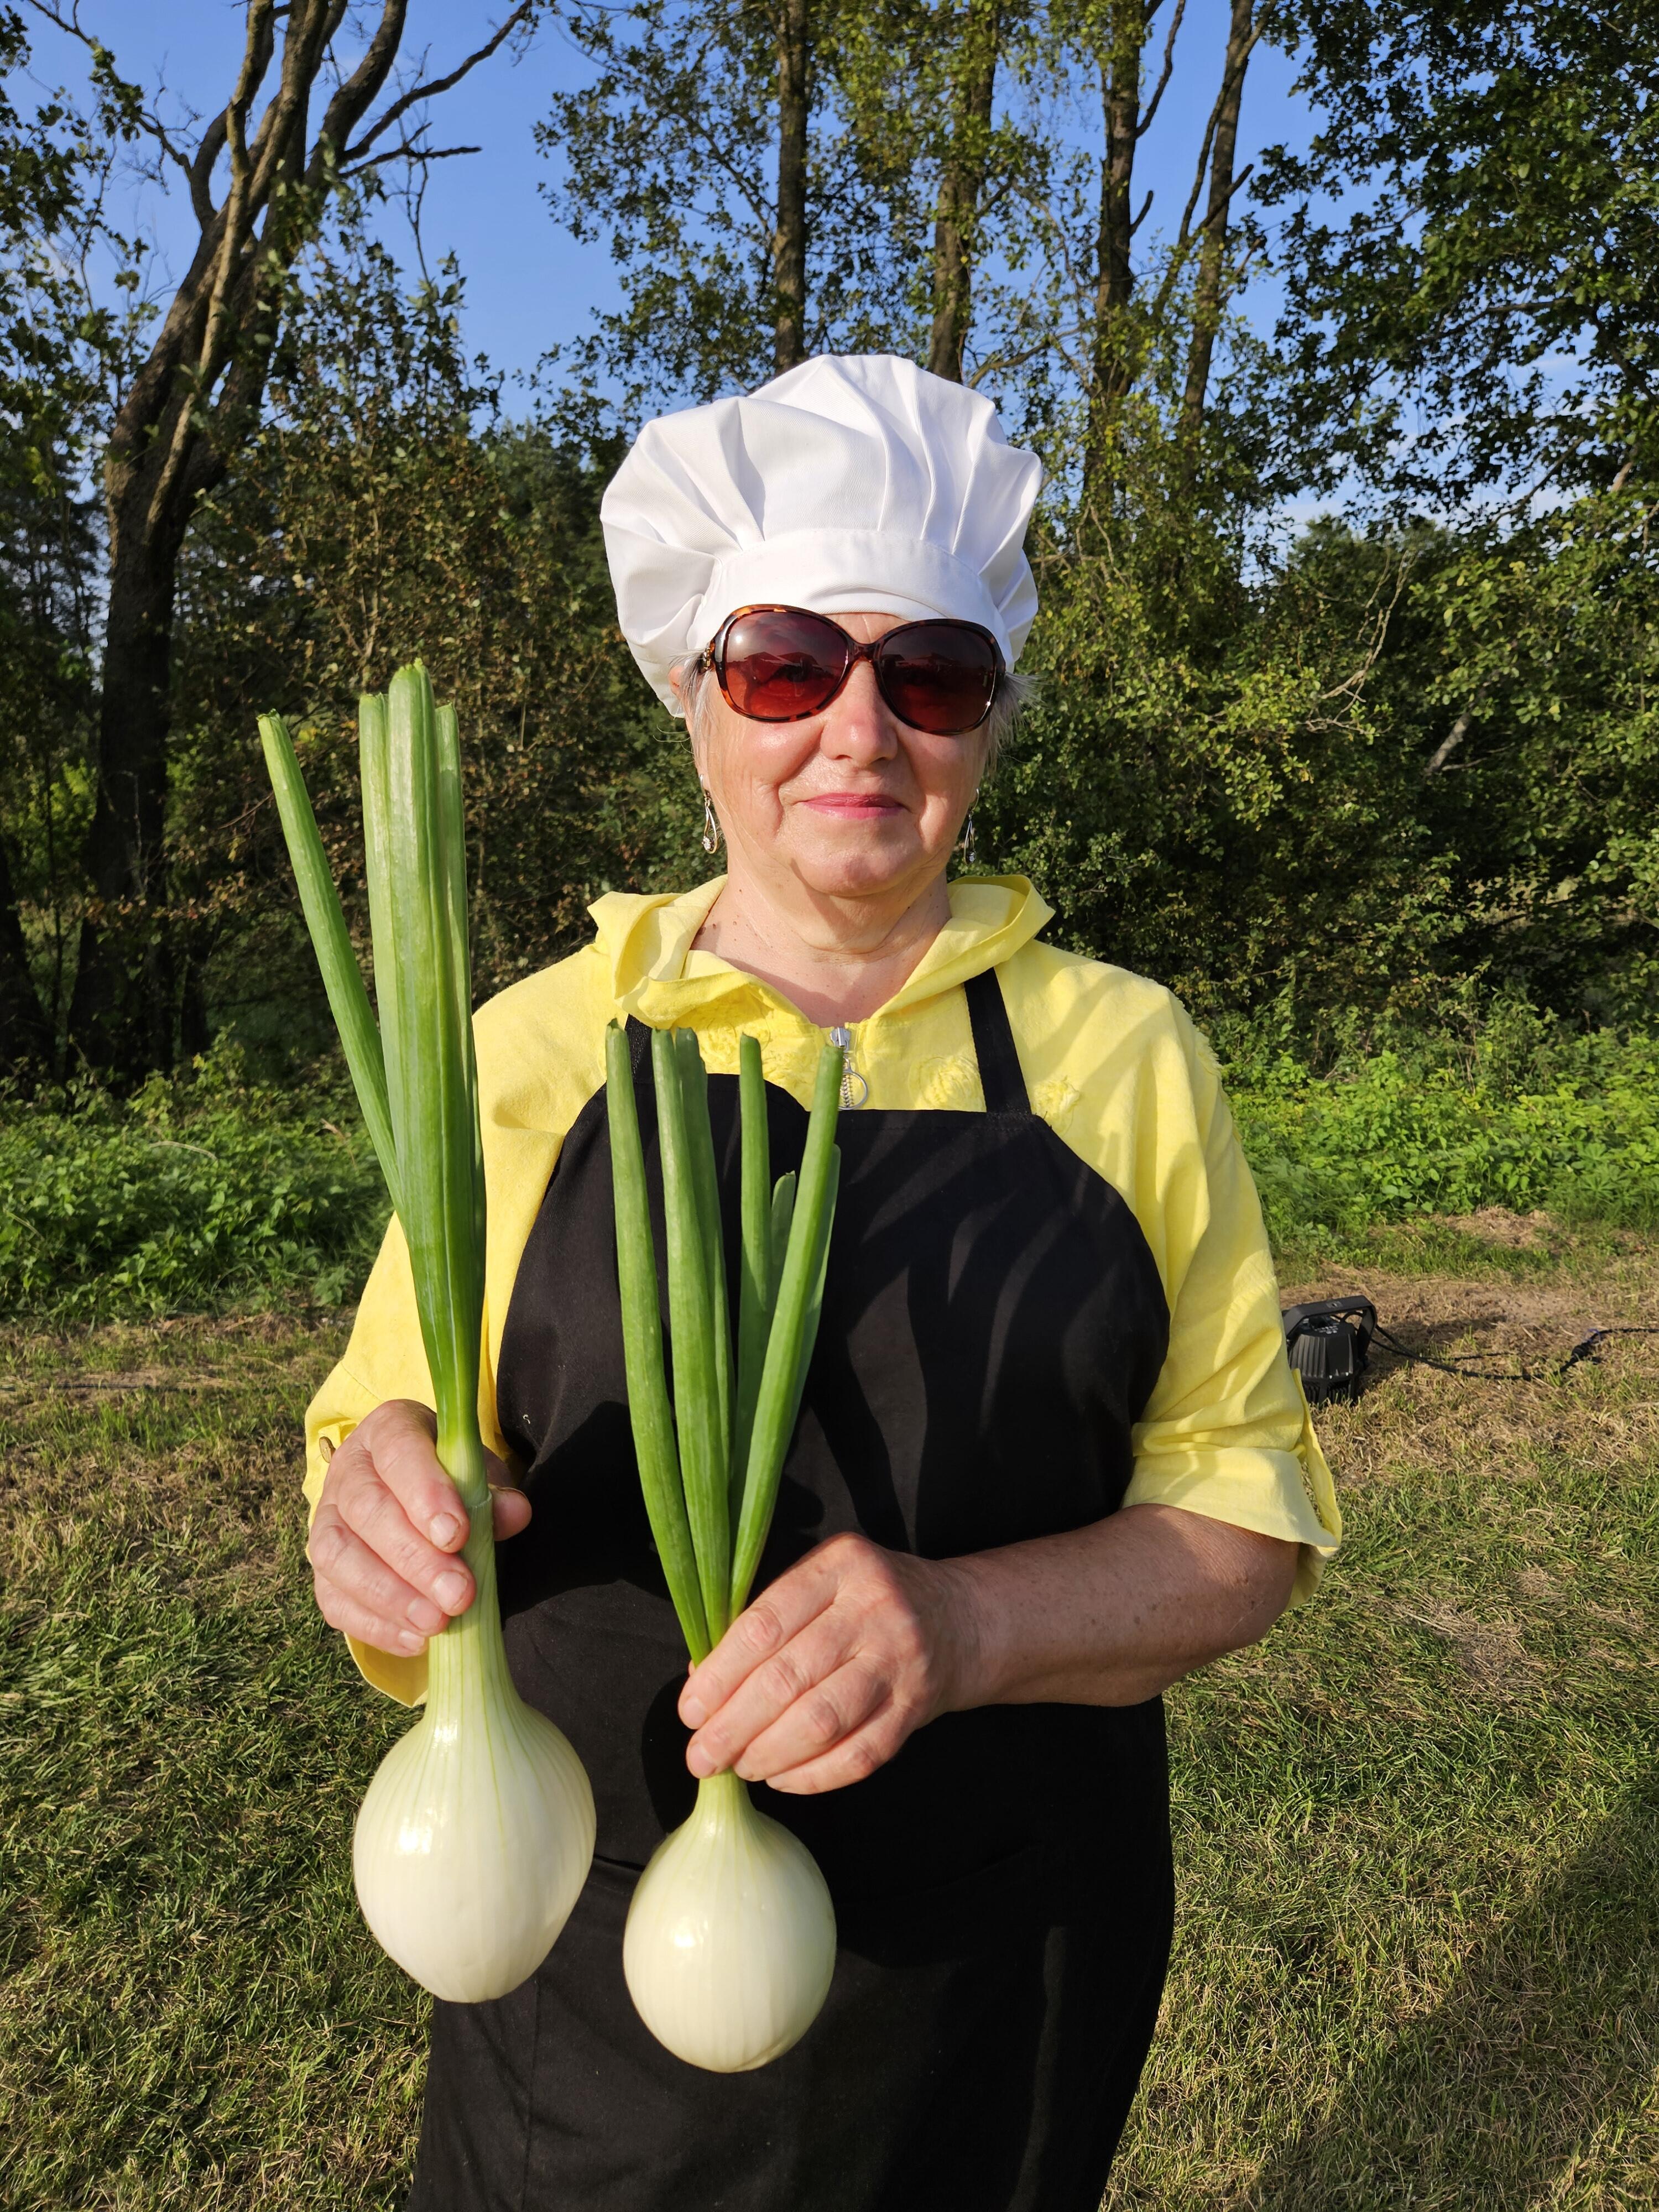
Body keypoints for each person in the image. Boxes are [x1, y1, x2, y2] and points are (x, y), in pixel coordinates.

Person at [302, 353, 1341, 2211]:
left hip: (1001, 1979)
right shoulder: (529, 1051)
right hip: (597, 1970)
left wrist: (965, 1627)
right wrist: (376, 1515)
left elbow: (1244, 1525)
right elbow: (376, 1435)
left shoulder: (1122, 1056)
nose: (860, 731)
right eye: (787, 665)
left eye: (931, 674)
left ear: (987, 726)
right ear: (695, 703)